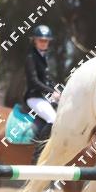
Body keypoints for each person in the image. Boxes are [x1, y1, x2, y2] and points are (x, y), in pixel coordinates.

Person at [24, 25, 60, 163]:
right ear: (35, 41)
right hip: (34, 97)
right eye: (41, 40)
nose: (44, 43)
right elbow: (34, 81)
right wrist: (52, 92)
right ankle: (37, 155)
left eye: (46, 40)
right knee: (53, 120)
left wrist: (59, 91)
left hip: (44, 97)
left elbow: (48, 80)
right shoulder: (30, 57)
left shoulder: (44, 57)